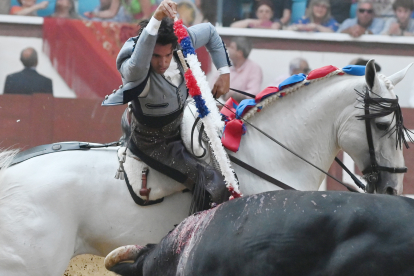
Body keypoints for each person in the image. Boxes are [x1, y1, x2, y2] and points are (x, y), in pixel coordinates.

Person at [102, 0, 232, 209]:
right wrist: (156, 18)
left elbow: (209, 31)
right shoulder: (136, 68)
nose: (163, 63)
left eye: (167, 55)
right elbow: (137, 65)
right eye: (155, 56)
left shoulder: (179, 42)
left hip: (181, 124)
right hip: (155, 143)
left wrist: (224, 73)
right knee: (214, 184)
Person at [221, 37, 263, 103]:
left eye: (232, 47)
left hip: (243, 108)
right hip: (221, 106)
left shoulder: (254, 68)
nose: (228, 49)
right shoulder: (225, 66)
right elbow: (214, 86)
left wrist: (234, 94)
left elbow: (253, 93)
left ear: (240, 53)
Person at [84, 0, 156, 22]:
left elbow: (147, 15)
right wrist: (94, 14)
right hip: (136, 22)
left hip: (153, 19)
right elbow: (111, 12)